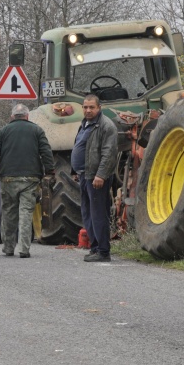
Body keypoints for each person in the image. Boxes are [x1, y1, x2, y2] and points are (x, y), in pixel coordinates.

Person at [0, 104, 55, 258]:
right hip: (30, 178)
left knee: (9, 212)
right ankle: (24, 249)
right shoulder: (37, 130)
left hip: (8, 178)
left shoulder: (2, 132)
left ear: (12, 116)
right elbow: (46, 153)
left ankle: (8, 248)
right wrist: (50, 172)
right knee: (26, 212)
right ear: (27, 116)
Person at [71, 94, 118, 262]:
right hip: (84, 175)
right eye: (85, 107)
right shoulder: (85, 124)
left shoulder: (106, 126)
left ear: (99, 108)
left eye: (91, 107)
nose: (88, 110)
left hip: (96, 177)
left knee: (98, 214)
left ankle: (103, 251)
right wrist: (74, 170)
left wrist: (101, 175)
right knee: (88, 213)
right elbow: (80, 146)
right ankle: (95, 247)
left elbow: (109, 153)